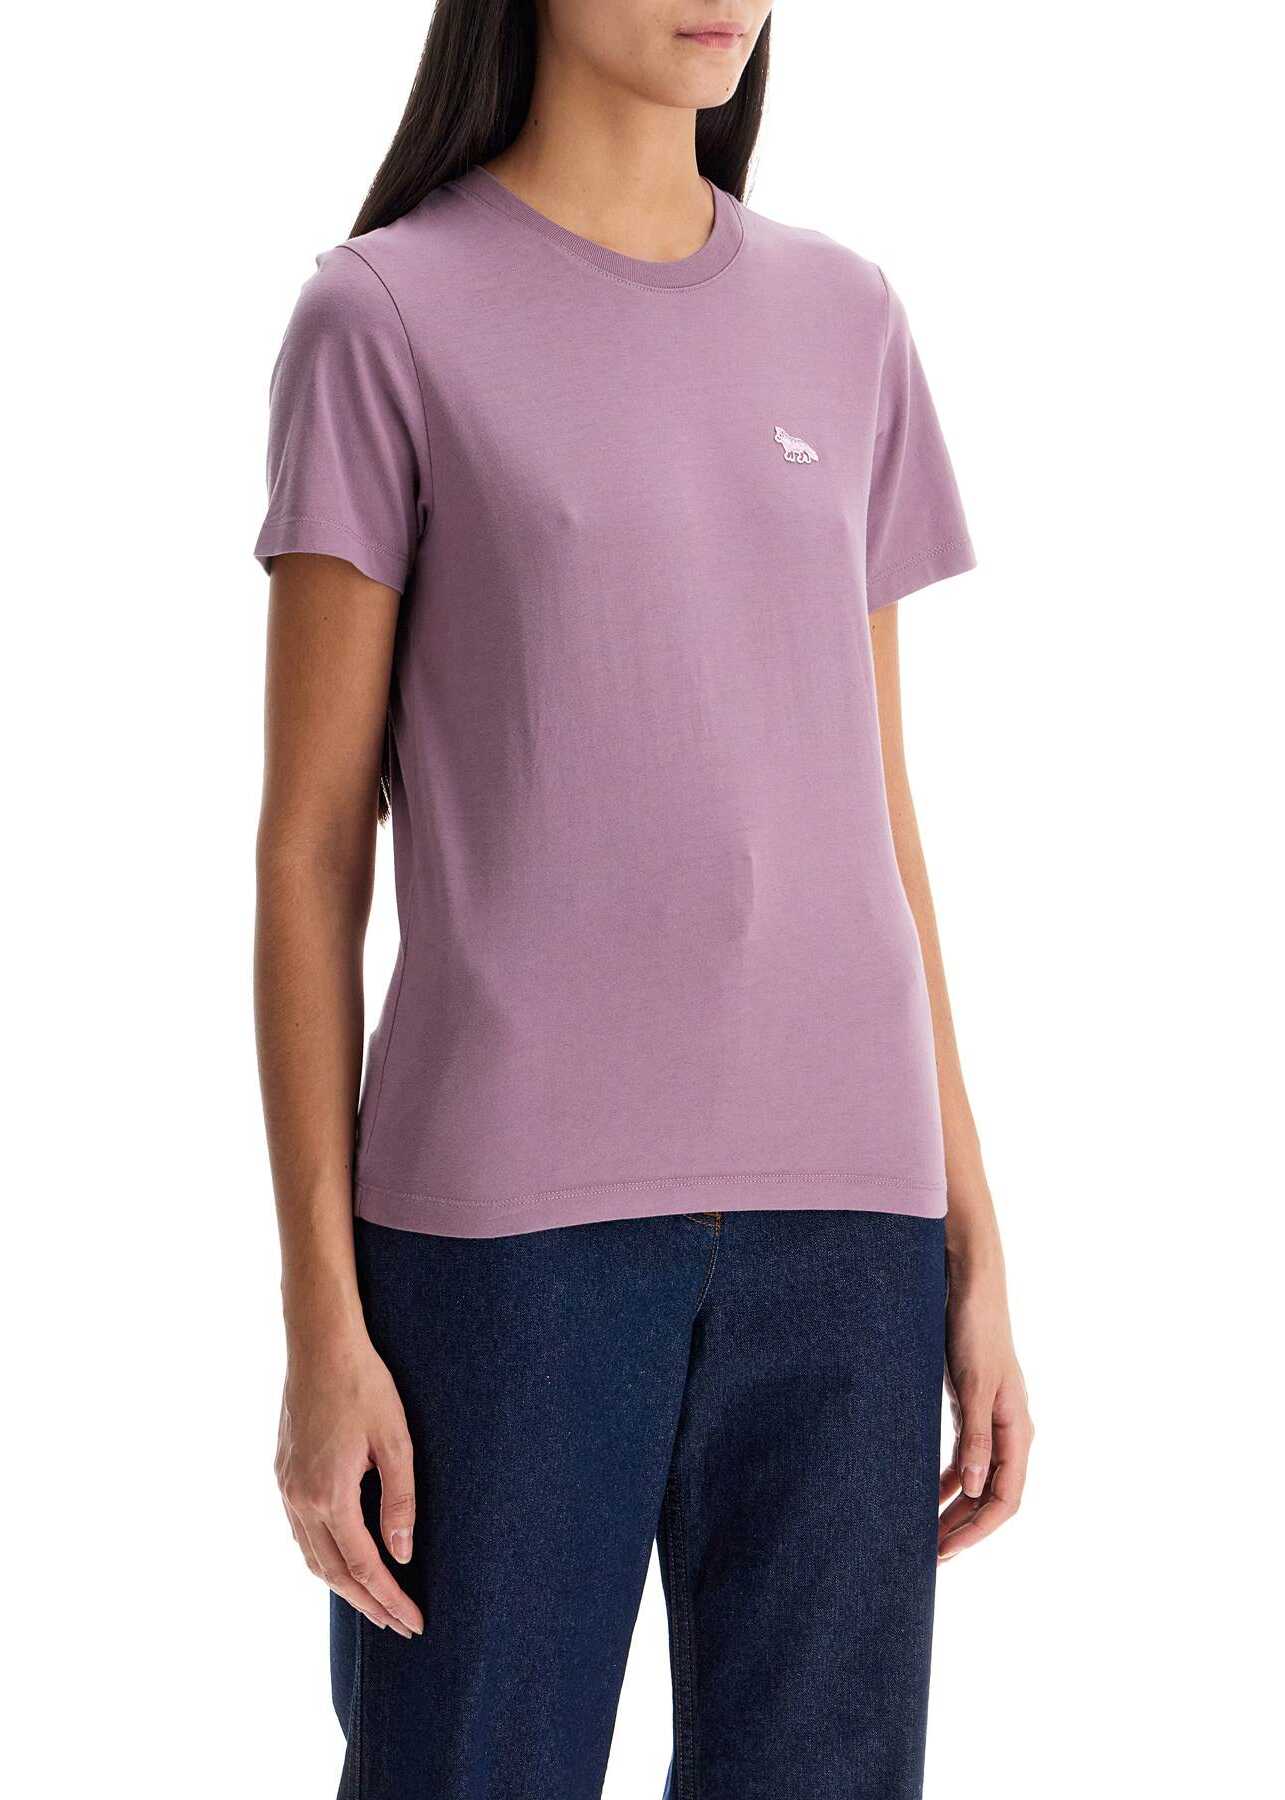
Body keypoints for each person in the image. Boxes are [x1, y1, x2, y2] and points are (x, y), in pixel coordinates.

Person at [253, 4, 1034, 1795]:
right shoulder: (384, 316)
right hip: (505, 1236)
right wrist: (319, 1320)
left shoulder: (846, 317)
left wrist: (971, 1234)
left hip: (847, 1219)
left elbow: (875, 809)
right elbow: (309, 849)